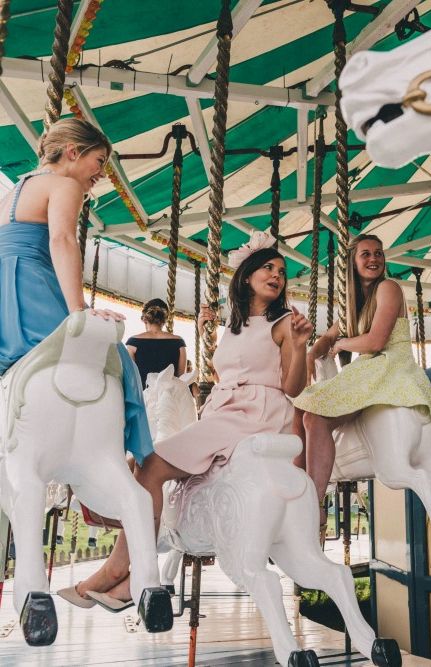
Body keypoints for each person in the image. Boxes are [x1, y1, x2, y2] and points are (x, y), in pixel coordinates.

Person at [73, 231, 313, 609]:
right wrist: (208, 335)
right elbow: (228, 376)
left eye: (281, 271)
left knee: (149, 466)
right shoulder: (234, 327)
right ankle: (126, 573)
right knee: (142, 462)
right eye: (267, 267)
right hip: (225, 413)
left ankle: (122, 572)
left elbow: (293, 387)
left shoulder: (283, 322)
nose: (276, 275)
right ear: (247, 276)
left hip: (254, 415)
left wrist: (299, 347)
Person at [0, 118, 156, 609]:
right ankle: (137, 456)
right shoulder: (61, 183)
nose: (98, 176)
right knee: (115, 361)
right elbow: (62, 242)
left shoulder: (16, 190)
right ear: (71, 152)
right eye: (98, 162)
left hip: (7, 301)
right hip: (35, 294)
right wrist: (78, 314)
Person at [293, 234, 431, 528]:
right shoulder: (354, 305)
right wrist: (312, 354)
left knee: (310, 413)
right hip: (370, 370)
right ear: (353, 261)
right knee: (303, 412)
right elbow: (328, 337)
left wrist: (343, 345)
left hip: (387, 368)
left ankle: (313, 500)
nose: (374, 259)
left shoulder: (388, 288)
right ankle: (302, 493)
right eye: (366, 254)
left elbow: (376, 340)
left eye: (378, 253)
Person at [126, 298, 186, 388]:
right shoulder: (179, 343)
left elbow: (131, 379)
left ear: (144, 319)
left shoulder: (133, 343)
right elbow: (181, 379)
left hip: (143, 398)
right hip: (170, 398)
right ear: (165, 319)